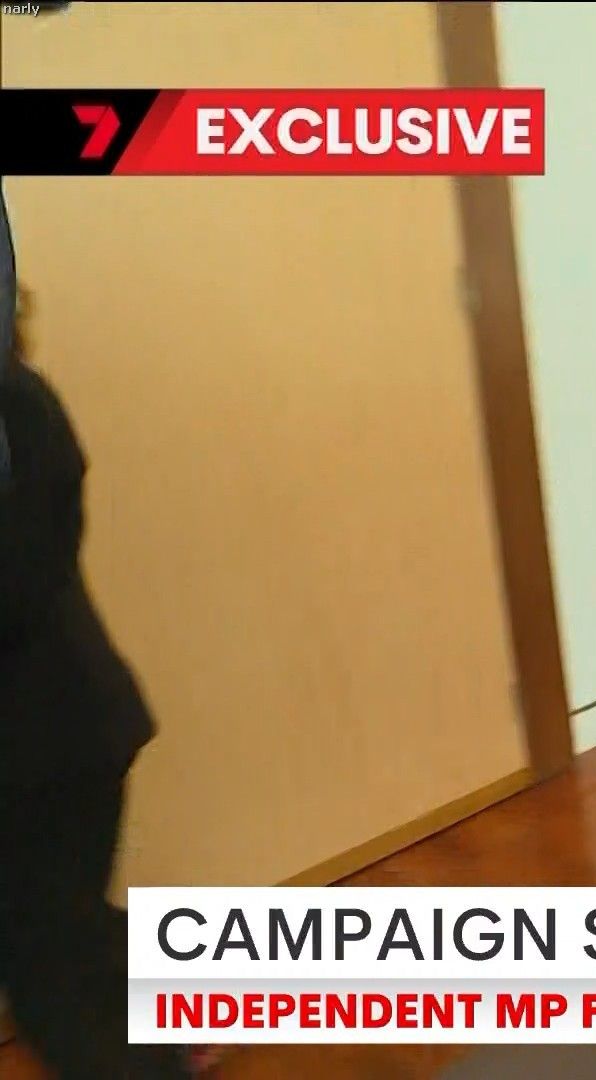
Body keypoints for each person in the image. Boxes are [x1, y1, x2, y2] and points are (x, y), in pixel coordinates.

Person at [0, 190, 188, 1077]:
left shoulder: (18, 412)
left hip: (55, 748)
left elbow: (21, 578)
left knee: (55, 979)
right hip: (56, 739)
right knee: (62, 950)